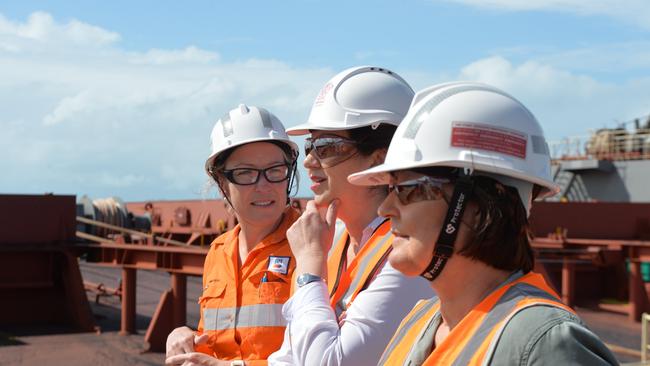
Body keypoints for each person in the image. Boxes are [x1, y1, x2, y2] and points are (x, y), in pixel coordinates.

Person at [347, 82, 619, 365]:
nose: (386, 207)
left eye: (409, 189)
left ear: (482, 204)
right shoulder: (419, 320)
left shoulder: (548, 345)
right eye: (391, 189)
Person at [268, 66, 434, 365]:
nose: (308, 161)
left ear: (379, 162)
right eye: (309, 145)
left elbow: (331, 362)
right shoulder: (335, 241)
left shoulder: (409, 256)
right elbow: (289, 358)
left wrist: (308, 273)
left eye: (326, 146)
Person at [166, 104, 300, 366]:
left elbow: (321, 356)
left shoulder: (313, 245)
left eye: (275, 170)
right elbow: (217, 342)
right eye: (245, 173)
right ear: (221, 182)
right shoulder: (218, 252)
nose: (263, 186)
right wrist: (185, 337)